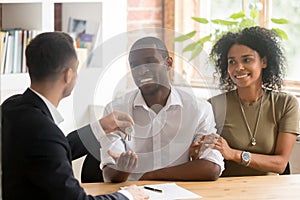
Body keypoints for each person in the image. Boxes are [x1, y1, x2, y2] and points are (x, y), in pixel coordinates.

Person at [1, 32, 148, 200]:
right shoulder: (44, 132)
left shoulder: (11, 107)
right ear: (68, 75)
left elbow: (51, 152)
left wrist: (100, 127)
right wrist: (127, 196)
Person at [99, 36, 224, 183]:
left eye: (149, 62)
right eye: (134, 65)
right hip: (133, 195)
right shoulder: (116, 110)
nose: (142, 71)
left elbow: (211, 168)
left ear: (168, 63)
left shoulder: (198, 109)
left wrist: (147, 176)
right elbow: (109, 174)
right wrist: (122, 169)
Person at [207, 26, 299, 176]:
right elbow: (207, 156)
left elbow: (280, 164)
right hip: (226, 190)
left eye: (247, 60)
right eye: (232, 62)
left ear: (263, 61)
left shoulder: (286, 104)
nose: (239, 68)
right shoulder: (213, 105)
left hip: (270, 192)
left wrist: (234, 154)